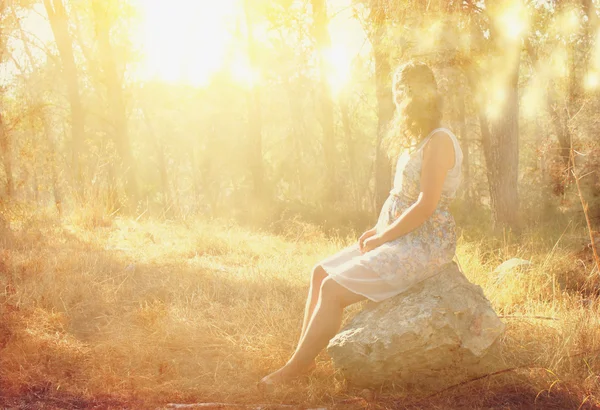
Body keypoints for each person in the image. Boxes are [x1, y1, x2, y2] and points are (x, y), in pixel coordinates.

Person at [258, 61, 463, 390]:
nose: (400, 101)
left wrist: (383, 236)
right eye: (398, 93)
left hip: (422, 243)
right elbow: (401, 199)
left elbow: (425, 205)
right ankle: (304, 360)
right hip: (398, 233)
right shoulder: (417, 140)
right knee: (320, 272)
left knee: (332, 289)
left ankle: (292, 370)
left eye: (405, 93)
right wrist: (377, 229)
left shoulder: (439, 140)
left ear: (424, 95)